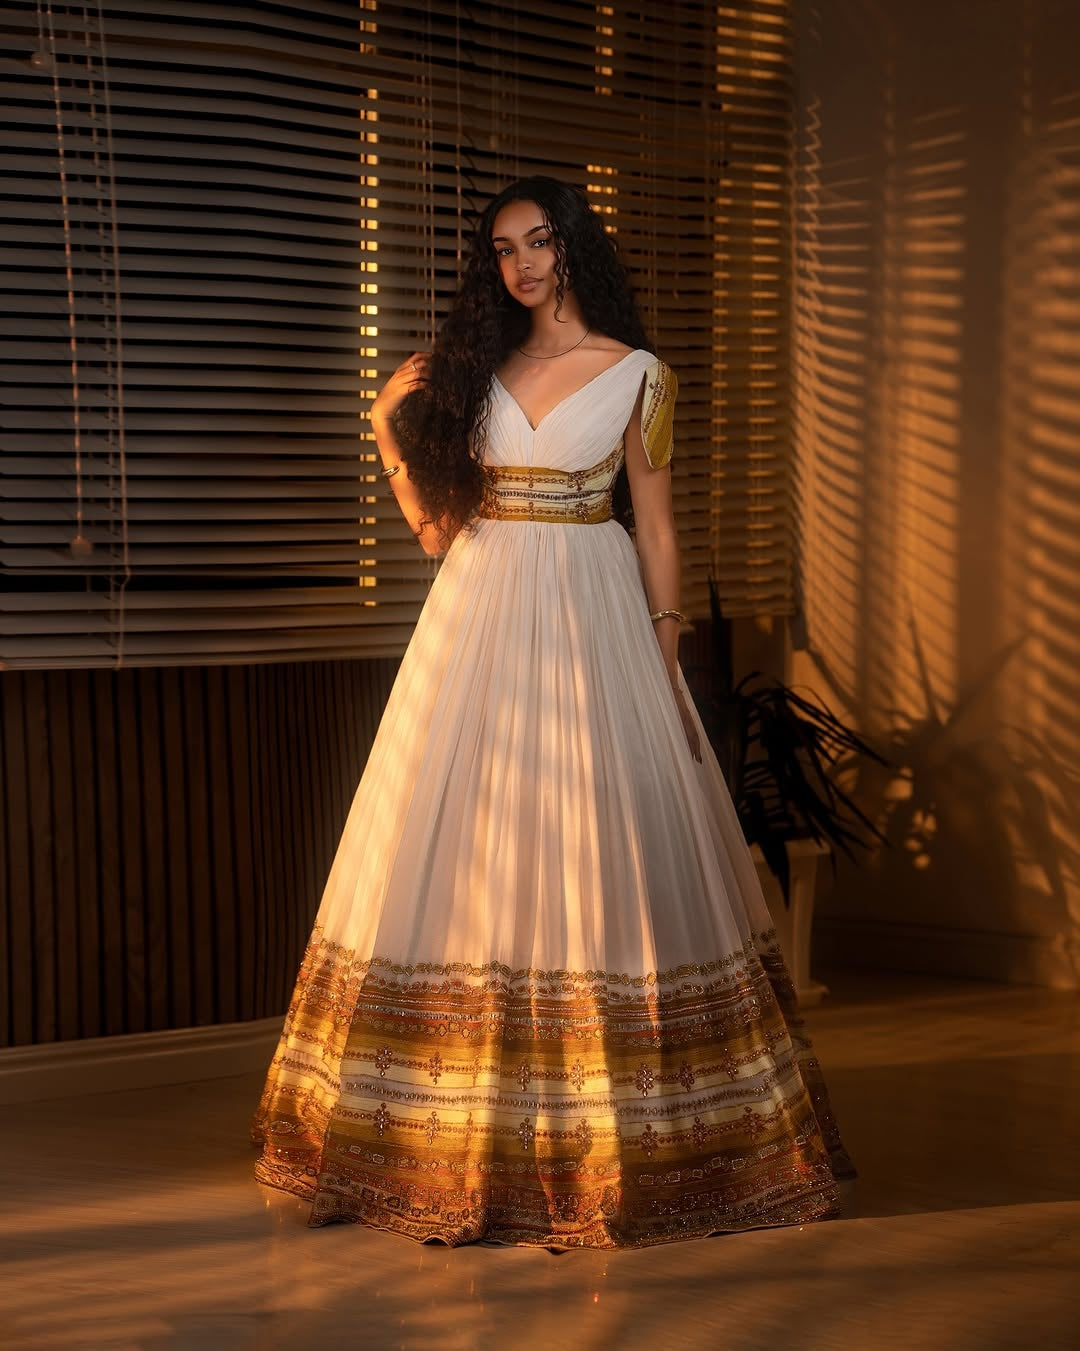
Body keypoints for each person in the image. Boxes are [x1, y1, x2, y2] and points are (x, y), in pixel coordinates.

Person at [252, 176, 853, 1249]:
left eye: (540, 242)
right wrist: (388, 425)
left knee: (592, 844)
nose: (523, 263)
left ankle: (608, 1143)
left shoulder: (640, 375)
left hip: (593, 615)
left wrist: (667, 649)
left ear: (573, 248)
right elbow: (440, 534)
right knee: (465, 850)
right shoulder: (474, 374)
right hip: (478, 613)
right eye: (503, 249)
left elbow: (658, 525)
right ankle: (442, 1143)